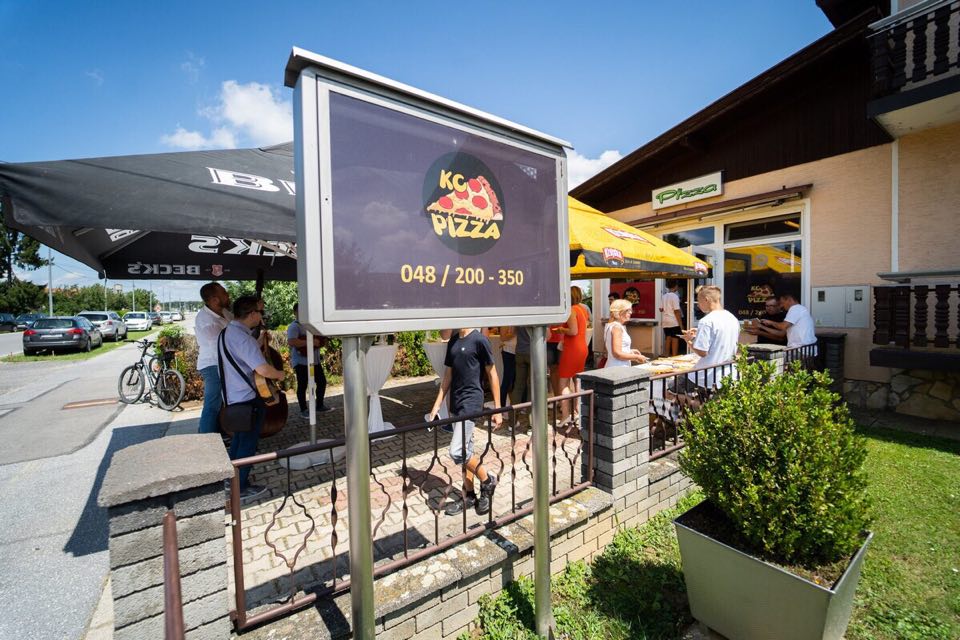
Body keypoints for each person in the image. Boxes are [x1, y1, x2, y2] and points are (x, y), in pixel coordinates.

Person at [428, 328, 502, 516]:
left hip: (471, 403)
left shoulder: (479, 340)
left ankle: (487, 480)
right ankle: (469, 495)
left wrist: (497, 408)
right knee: (466, 450)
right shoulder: (453, 342)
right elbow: (448, 376)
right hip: (456, 402)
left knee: (457, 451)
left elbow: (492, 374)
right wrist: (437, 404)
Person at [219, 295, 285, 502]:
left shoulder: (227, 333)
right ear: (252, 314)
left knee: (238, 441)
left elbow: (244, 355)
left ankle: (230, 478)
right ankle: (240, 487)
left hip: (233, 397)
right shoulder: (242, 338)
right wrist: (279, 374)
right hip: (246, 398)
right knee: (247, 444)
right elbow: (263, 369)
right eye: (260, 312)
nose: (262, 316)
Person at [681, 285, 740, 388]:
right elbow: (720, 335)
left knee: (669, 391)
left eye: (699, 301)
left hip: (707, 376)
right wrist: (700, 333)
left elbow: (702, 352)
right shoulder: (732, 318)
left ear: (706, 299)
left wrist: (690, 340)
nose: (698, 305)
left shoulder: (706, 321)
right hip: (729, 373)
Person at [195, 282, 232, 435]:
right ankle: (206, 441)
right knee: (212, 405)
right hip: (212, 365)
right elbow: (224, 345)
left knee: (221, 403)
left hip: (221, 364)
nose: (228, 295)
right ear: (215, 300)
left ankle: (220, 433)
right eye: (224, 293)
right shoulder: (206, 321)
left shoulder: (224, 312)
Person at [287, 302, 334, 417]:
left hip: (315, 361)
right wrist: (311, 342)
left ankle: (319, 405)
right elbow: (292, 341)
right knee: (303, 385)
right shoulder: (294, 326)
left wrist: (322, 341)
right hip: (301, 362)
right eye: (300, 311)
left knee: (321, 382)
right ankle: (303, 410)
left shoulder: (312, 325)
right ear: (295, 312)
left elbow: (320, 340)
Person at [553, 286, 591, 425]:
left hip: (572, 349)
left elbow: (573, 331)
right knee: (577, 380)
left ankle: (565, 415)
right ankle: (578, 411)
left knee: (563, 381)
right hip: (582, 347)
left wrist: (561, 329)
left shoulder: (571, 310)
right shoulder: (582, 309)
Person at [604, 299, 648, 367]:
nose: (631, 312)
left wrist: (630, 351)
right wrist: (636, 357)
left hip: (615, 366)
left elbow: (614, 350)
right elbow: (617, 354)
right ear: (620, 312)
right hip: (618, 368)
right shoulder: (617, 328)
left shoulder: (612, 325)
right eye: (628, 310)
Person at [660, 279, 684, 355]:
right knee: (675, 339)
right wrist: (681, 325)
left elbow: (661, 309)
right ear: (676, 286)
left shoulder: (664, 296)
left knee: (668, 338)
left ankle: (666, 355)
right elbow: (676, 311)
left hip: (665, 321)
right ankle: (674, 356)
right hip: (673, 321)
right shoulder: (675, 296)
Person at [498, 326, 517, 406]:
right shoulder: (506, 323)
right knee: (507, 379)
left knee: (516, 380)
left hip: (518, 352)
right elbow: (502, 337)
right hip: (508, 352)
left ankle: (515, 404)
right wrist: (514, 333)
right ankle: (501, 405)